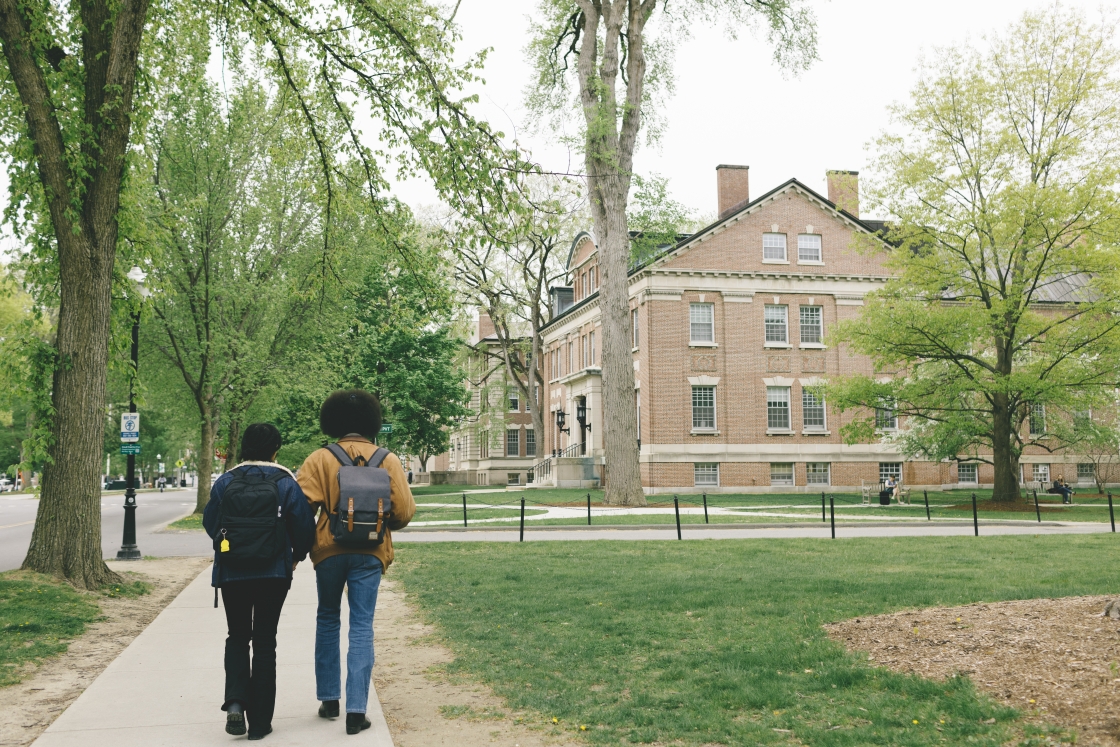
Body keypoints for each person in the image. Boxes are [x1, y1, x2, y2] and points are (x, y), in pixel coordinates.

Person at [297, 390, 416, 735]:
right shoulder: (388, 459)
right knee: (362, 624)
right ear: (371, 421)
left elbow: (302, 507)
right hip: (370, 552)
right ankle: (356, 710)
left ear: (332, 421)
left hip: (329, 551)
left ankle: (329, 698)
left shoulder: (319, 458)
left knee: (328, 618)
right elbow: (404, 512)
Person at [204, 424, 316, 740]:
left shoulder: (225, 482)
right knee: (265, 641)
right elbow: (305, 527)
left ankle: (236, 703)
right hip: (273, 573)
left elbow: (211, 523)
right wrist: (296, 556)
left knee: (237, 635)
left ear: (243, 448)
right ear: (275, 450)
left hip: (233, 572)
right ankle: (261, 724)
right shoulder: (285, 483)